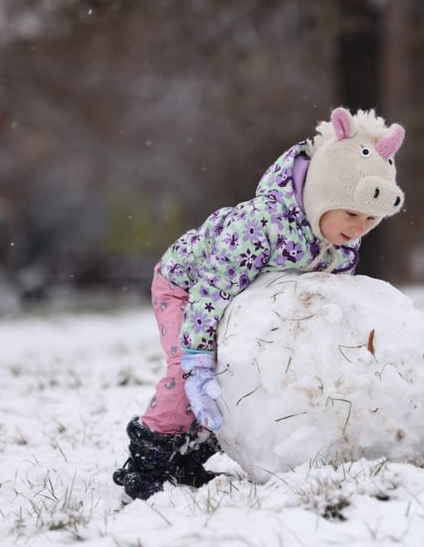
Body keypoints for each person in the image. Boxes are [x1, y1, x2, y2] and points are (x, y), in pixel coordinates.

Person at [113, 107, 406, 500]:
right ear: (321, 194)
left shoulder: (339, 241)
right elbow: (213, 287)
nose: (357, 228)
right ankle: (148, 459)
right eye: (351, 213)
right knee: (195, 375)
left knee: (237, 376)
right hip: (187, 287)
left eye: (370, 220)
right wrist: (197, 356)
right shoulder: (261, 224)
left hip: (242, 302)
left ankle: (189, 456)